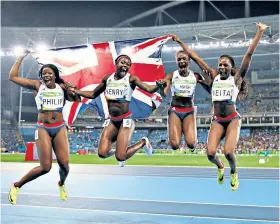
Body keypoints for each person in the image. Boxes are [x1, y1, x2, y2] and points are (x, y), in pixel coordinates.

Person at [171, 22, 268, 190]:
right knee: (209, 154)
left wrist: (260, 31)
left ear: (231, 68)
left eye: (226, 64)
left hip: (232, 120)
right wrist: (180, 42)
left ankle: (234, 173)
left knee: (229, 152)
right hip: (216, 120)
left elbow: (249, 54)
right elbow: (195, 57)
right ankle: (220, 166)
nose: (222, 67)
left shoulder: (236, 79)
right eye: (220, 64)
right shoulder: (214, 76)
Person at [8, 50, 81, 205]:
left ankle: (61, 183)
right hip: (43, 128)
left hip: (60, 127)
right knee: (45, 167)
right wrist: (20, 57)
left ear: (55, 75)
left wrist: (72, 90)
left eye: (49, 73)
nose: (46, 75)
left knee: (65, 166)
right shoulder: (37, 85)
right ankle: (16, 185)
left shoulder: (62, 87)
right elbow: (12, 77)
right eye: (43, 73)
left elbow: (77, 99)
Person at [68, 54, 160, 167]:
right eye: (123, 62)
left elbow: (148, 89)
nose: (125, 64)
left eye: (128, 63)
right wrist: (77, 91)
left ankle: (143, 143)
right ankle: (121, 152)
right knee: (102, 153)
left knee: (120, 157)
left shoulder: (131, 79)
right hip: (112, 120)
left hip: (126, 120)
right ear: (116, 64)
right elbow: (93, 94)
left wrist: (157, 86)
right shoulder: (108, 79)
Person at [158, 49, 205, 153]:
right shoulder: (171, 76)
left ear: (189, 60)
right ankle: (177, 127)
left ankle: (185, 128)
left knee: (192, 144)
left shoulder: (196, 76)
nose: (181, 61)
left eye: (184, 58)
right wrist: (161, 88)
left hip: (189, 111)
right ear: (176, 61)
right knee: (174, 145)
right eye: (179, 59)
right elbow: (164, 94)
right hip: (175, 110)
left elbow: (209, 87)